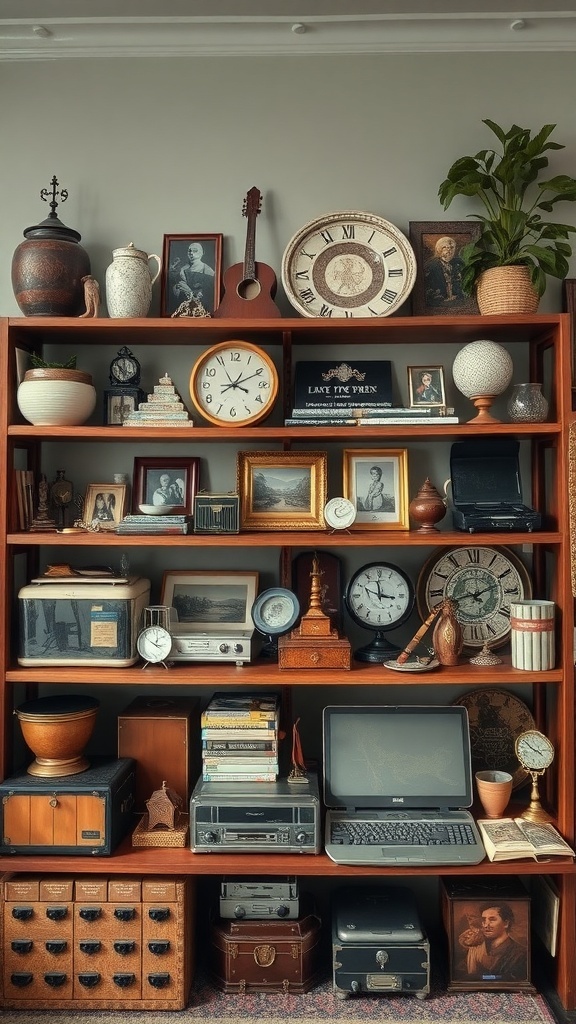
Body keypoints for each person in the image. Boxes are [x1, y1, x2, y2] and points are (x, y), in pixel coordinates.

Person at [457, 902, 527, 982]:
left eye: (492, 920)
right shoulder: (477, 948)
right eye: (484, 920)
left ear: (506, 923)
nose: (486, 925)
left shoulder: (520, 954)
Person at [424, 235, 466, 308]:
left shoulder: (458, 263)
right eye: (445, 247)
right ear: (439, 249)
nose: (449, 250)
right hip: (438, 303)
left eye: (451, 248)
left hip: (455, 301)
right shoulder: (431, 266)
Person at [172, 242, 215, 311]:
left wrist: (189, 291)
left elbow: (209, 296)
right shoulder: (183, 269)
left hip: (200, 310)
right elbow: (176, 290)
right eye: (189, 250)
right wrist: (177, 287)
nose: (191, 253)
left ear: (202, 253)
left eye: (195, 250)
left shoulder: (208, 271)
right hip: (184, 308)